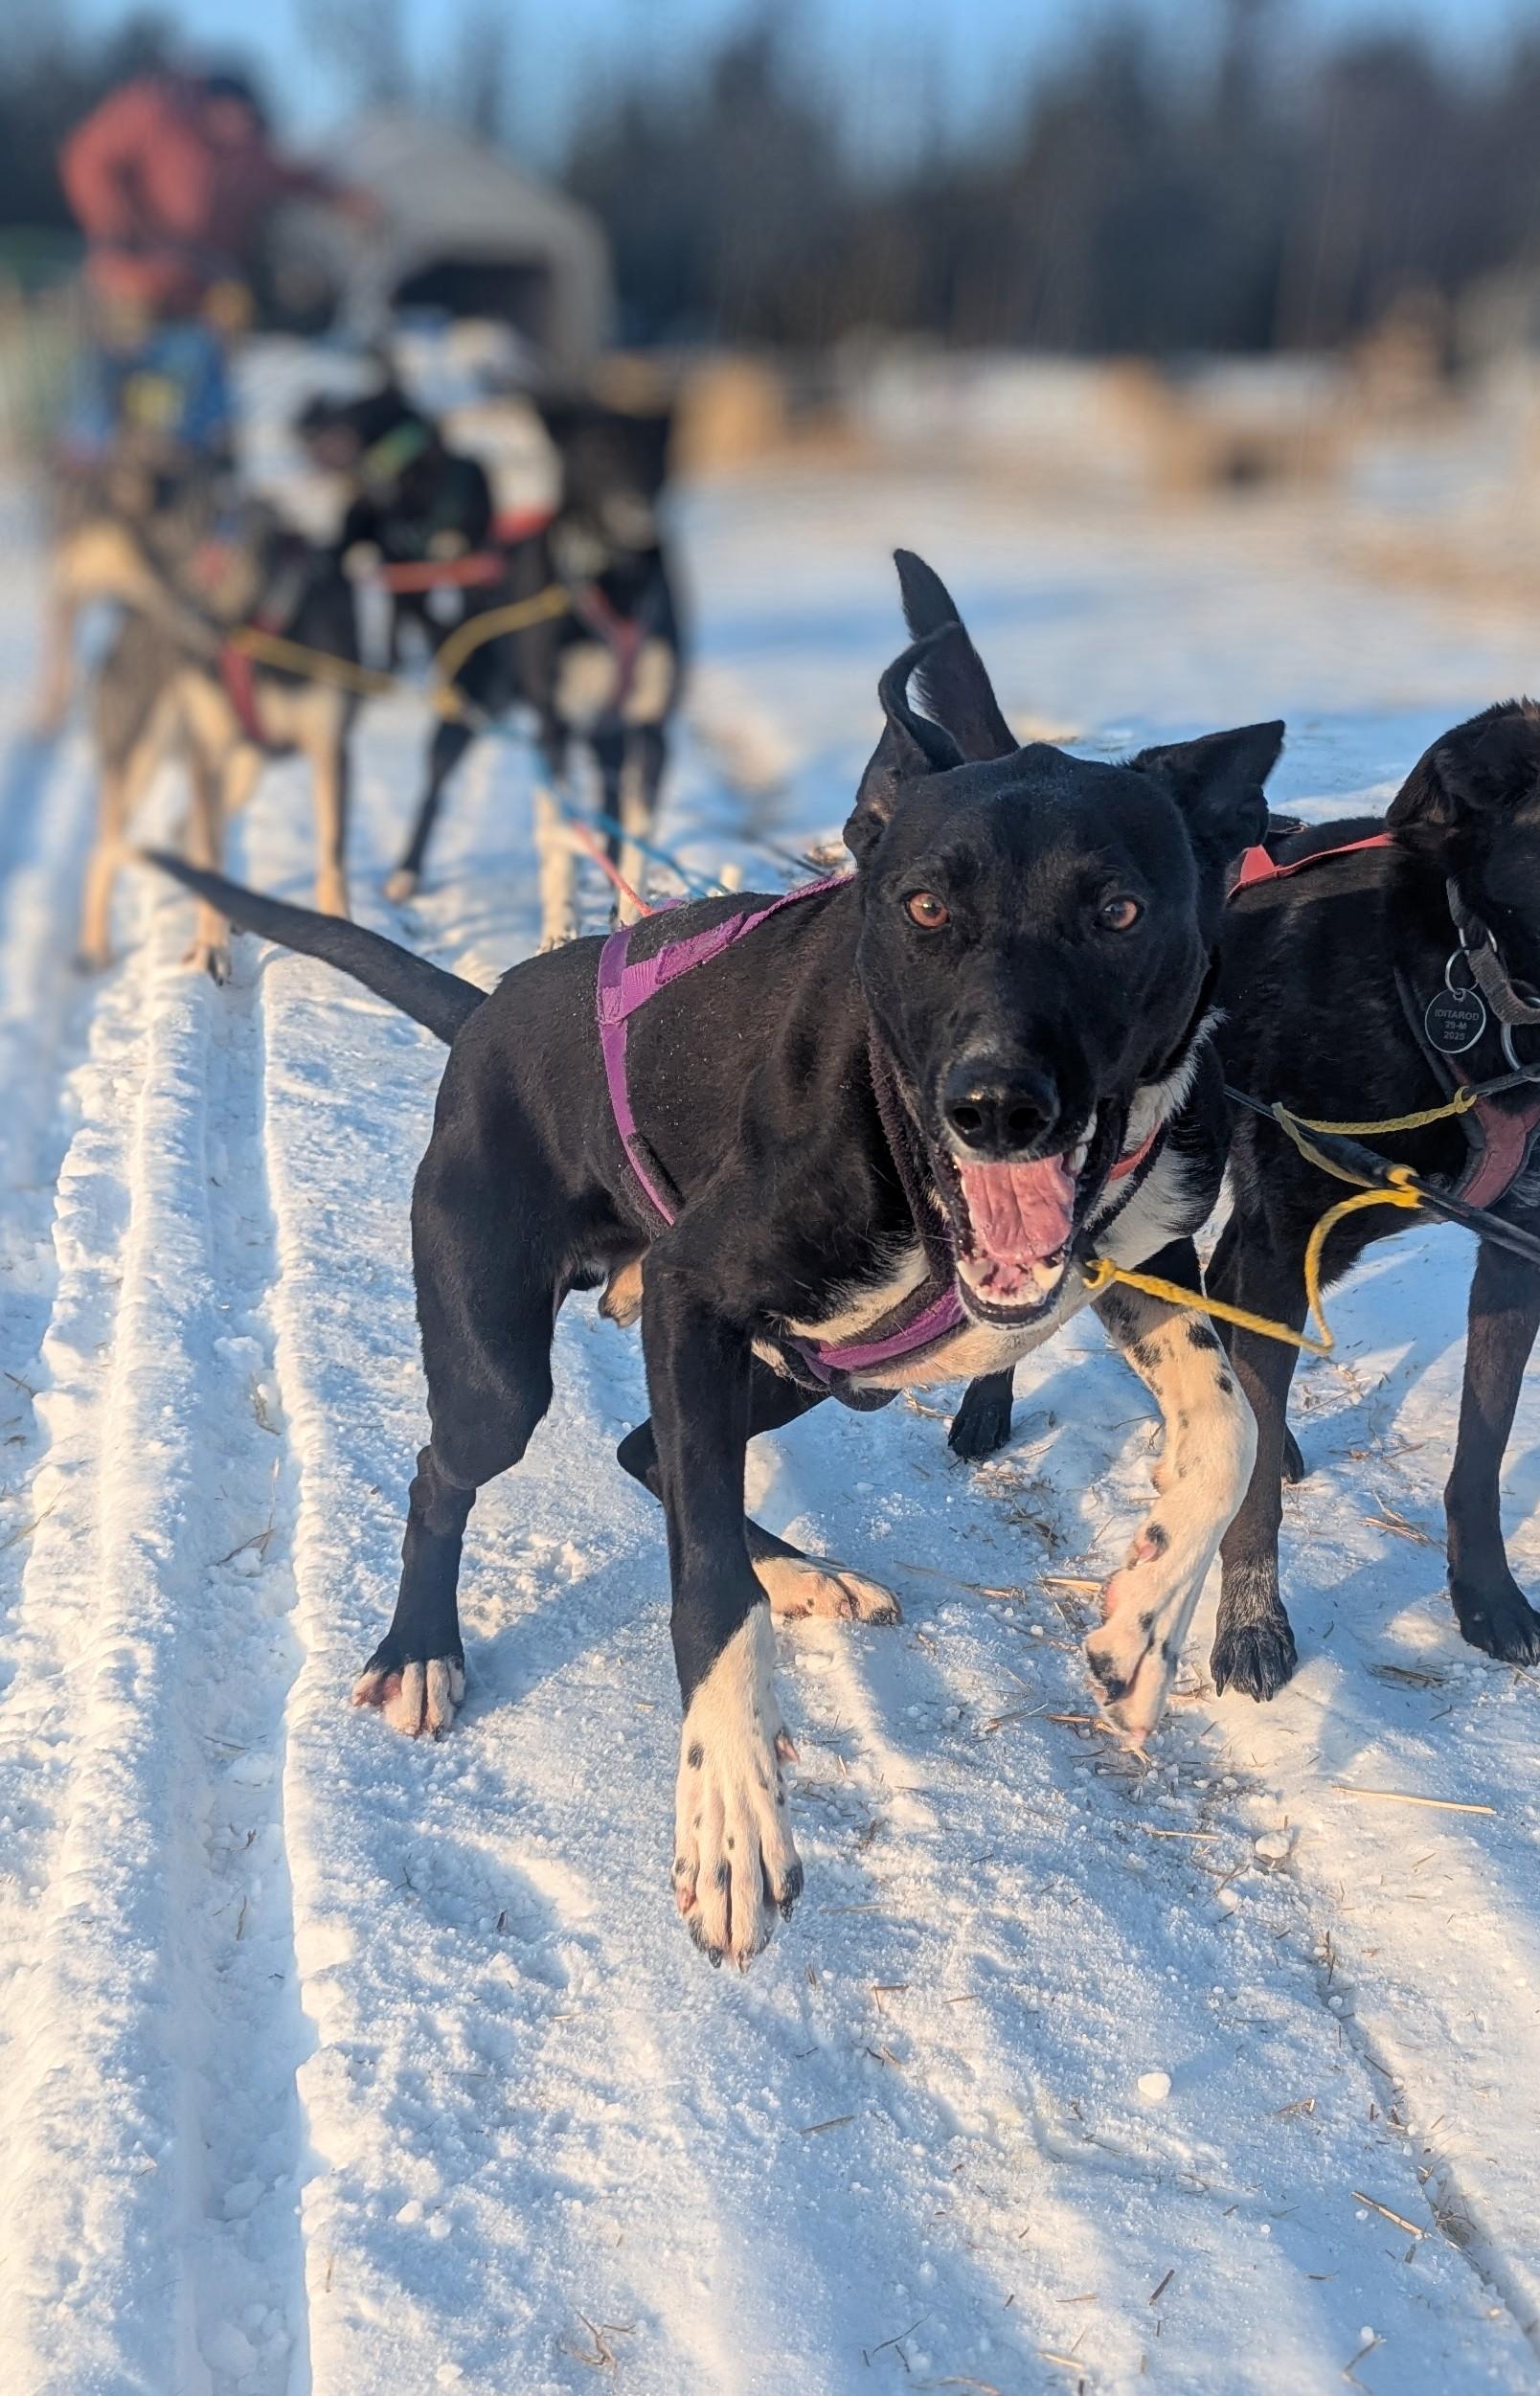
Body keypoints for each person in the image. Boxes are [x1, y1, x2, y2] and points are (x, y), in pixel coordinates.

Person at [58, 66, 376, 464]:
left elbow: (289, 174)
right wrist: (114, 223)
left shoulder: (246, 153)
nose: (240, 131)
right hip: (131, 282)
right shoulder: (154, 113)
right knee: (109, 383)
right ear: (211, 106)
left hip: (198, 293)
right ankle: (87, 469)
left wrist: (344, 198)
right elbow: (86, 156)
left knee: (204, 385)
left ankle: (195, 465)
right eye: (232, 119)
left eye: (247, 123)